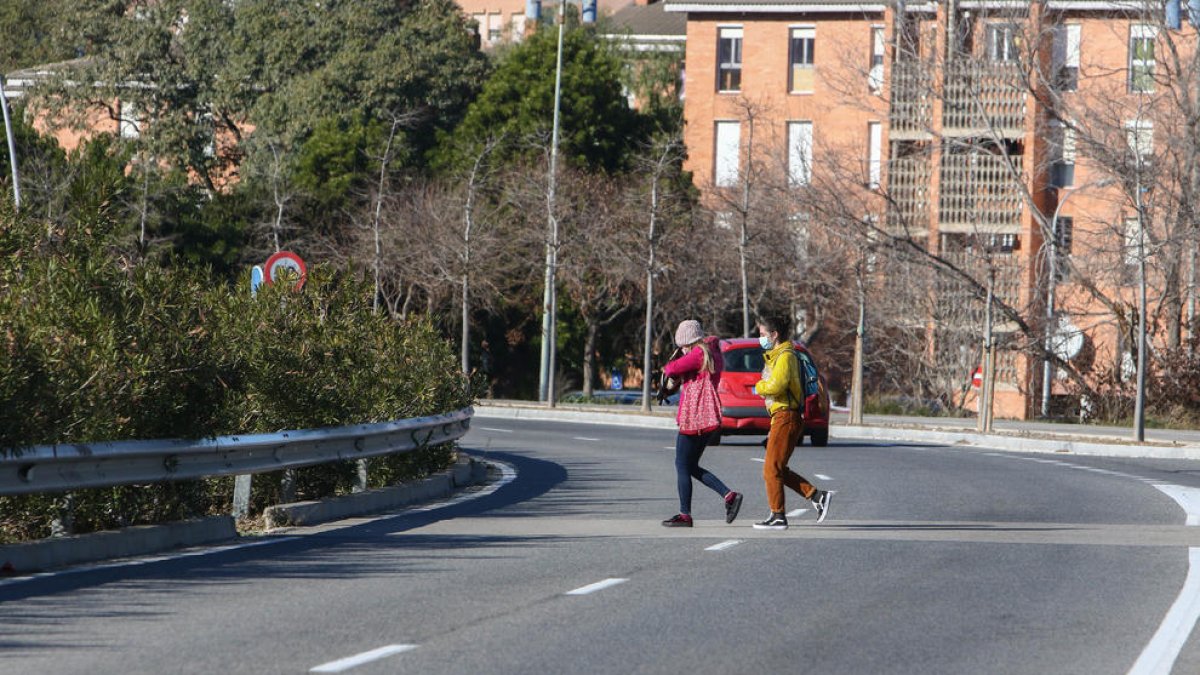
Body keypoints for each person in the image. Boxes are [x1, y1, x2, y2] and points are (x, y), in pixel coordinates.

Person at [751, 314, 832, 530]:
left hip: (786, 416)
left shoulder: (785, 356)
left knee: (770, 469)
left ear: (774, 334)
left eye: (762, 334)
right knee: (778, 468)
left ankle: (778, 515)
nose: (760, 339)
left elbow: (777, 385)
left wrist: (759, 387)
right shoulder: (780, 354)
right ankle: (817, 496)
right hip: (785, 416)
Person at [661, 319, 743, 527]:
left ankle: (685, 514)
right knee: (690, 466)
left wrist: (675, 361)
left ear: (689, 341)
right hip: (708, 416)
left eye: (682, 345)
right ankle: (729, 496)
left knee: (681, 464)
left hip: (695, 414)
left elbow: (672, 369)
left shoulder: (698, 354)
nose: (682, 349)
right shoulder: (713, 352)